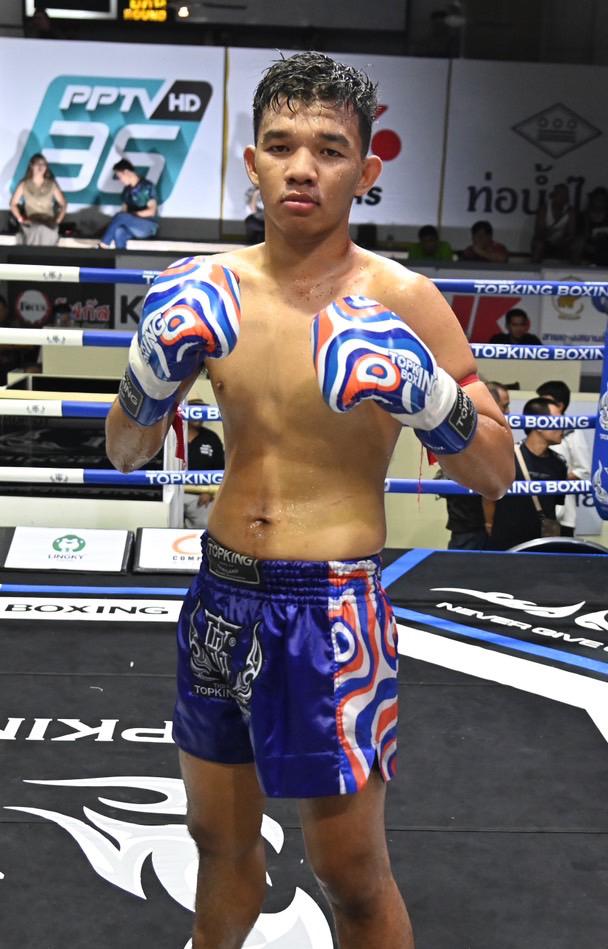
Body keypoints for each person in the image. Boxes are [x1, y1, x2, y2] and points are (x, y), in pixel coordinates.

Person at [106, 51, 513, 949]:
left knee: (350, 874)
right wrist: (150, 370)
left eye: (329, 149)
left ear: (365, 172)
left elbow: (496, 474)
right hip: (220, 594)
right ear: (250, 161)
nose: (302, 167)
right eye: (281, 145)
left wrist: (428, 397)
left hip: (331, 610)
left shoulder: (405, 300)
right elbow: (127, 450)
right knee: (217, 844)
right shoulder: (203, 289)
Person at [487, 397, 567, 550]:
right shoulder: (507, 456)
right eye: (558, 419)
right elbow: (489, 498)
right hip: (505, 545)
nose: (563, 425)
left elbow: (556, 505)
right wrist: (489, 525)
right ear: (539, 424)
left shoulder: (559, 464)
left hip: (542, 548)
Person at [441, 380, 510, 549]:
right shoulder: (468, 428)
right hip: (469, 525)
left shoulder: (468, 426)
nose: (507, 411)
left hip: (479, 525)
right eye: (504, 406)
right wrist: (489, 523)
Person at [536, 380, 591, 536]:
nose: (540, 405)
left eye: (544, 401)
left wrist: (551, 480)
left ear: (559, 405)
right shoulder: (536, 428)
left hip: (563, 516)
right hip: (536, 511)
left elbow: (583, 470)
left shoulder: (572, 432)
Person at [98, 158, 159, 249]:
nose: (120, 180)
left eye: (120, 176)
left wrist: (130, 216)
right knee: (119, 231)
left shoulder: (147, 186)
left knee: (122, 217)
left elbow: (151, 212)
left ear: (126, 172)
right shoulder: (126, 191)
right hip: (132, 227)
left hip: (147, 226)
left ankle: (103, 245)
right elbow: (123, 213)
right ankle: (120, 256)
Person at [183, 400, 225, 530]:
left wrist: (209, 492)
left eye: (202, 411)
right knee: (163, 523)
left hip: (200, 496)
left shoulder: (211, 438)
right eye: (196, 410)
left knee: (206, 524)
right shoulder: (172, 436)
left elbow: (221, 469)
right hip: (173, 492)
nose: (199, 415)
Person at [9, 153, 66, 246]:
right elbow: (13, 204)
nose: (40, 167)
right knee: (36, 230)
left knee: (45, 231)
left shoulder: (51, 184)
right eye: (37, 164)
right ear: (31, 166)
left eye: (43, 164)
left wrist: (58, 220)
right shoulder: (24, 184)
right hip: (32, 222)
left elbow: (63, 203)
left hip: (48, 223)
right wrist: (21, 219)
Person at [530, 183, 577, 263]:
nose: (564, 197)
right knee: (539, 244)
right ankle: (535, 268)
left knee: (576, 245)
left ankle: (574, 269)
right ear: (553, 196)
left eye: (566, 195)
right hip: (545, 242)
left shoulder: (570, 211)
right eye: (561, 194)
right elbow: (538, 233)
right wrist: (549, 233)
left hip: (561, 243)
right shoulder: (544, 209)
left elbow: (571, 233)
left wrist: (563, 240)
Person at [572, 186, 608, 266]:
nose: (600, 202)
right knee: (579, 242)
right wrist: (587, 246)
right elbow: (579, 236)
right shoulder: (583, 216)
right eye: (598, 199)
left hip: (605, 248)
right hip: (588, 247)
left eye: (603, 200)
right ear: (592, 200)